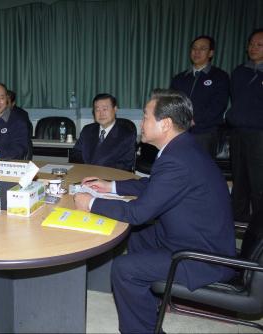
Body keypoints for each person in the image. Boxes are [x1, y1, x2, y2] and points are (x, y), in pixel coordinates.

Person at [74, 89, 235, 333]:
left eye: (146, 116)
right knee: (138, 235)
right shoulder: (182, 147)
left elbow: (138, 213)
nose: (142, 122)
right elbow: (154, 184)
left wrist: (92, 204)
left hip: (201, 254)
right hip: (193, 234)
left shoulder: (177, 159)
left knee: (124, 269)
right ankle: (150, 304)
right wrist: (111, 186)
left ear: (166, 124)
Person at [170, 35, 230, 158]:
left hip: (205, 134)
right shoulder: (180, 78)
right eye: (194, 48)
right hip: (179, 132)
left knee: (201, 171)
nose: (197, 52)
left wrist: (194, 120)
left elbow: (218, 105)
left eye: (202, 48)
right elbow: (172, 102)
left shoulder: (220, 77)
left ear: (211, 53)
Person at [226, 28, 263, 223]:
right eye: (251, 44)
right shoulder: (240, 71)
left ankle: (258, 229)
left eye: (259, 45)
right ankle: (238, 221)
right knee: (240, 181)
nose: (253, 48)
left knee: (258, 183)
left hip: (259, 136)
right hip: (238, 133)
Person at [69, 93, 136, 171]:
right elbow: (75, 154)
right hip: (84, 175)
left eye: (105, 109)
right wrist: (85, 170)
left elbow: (125, 165)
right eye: (97, 110)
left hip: (110, 179)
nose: (101, 114)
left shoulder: (127, 135)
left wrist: (97, 173)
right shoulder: (87, 130)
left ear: (115, 109)